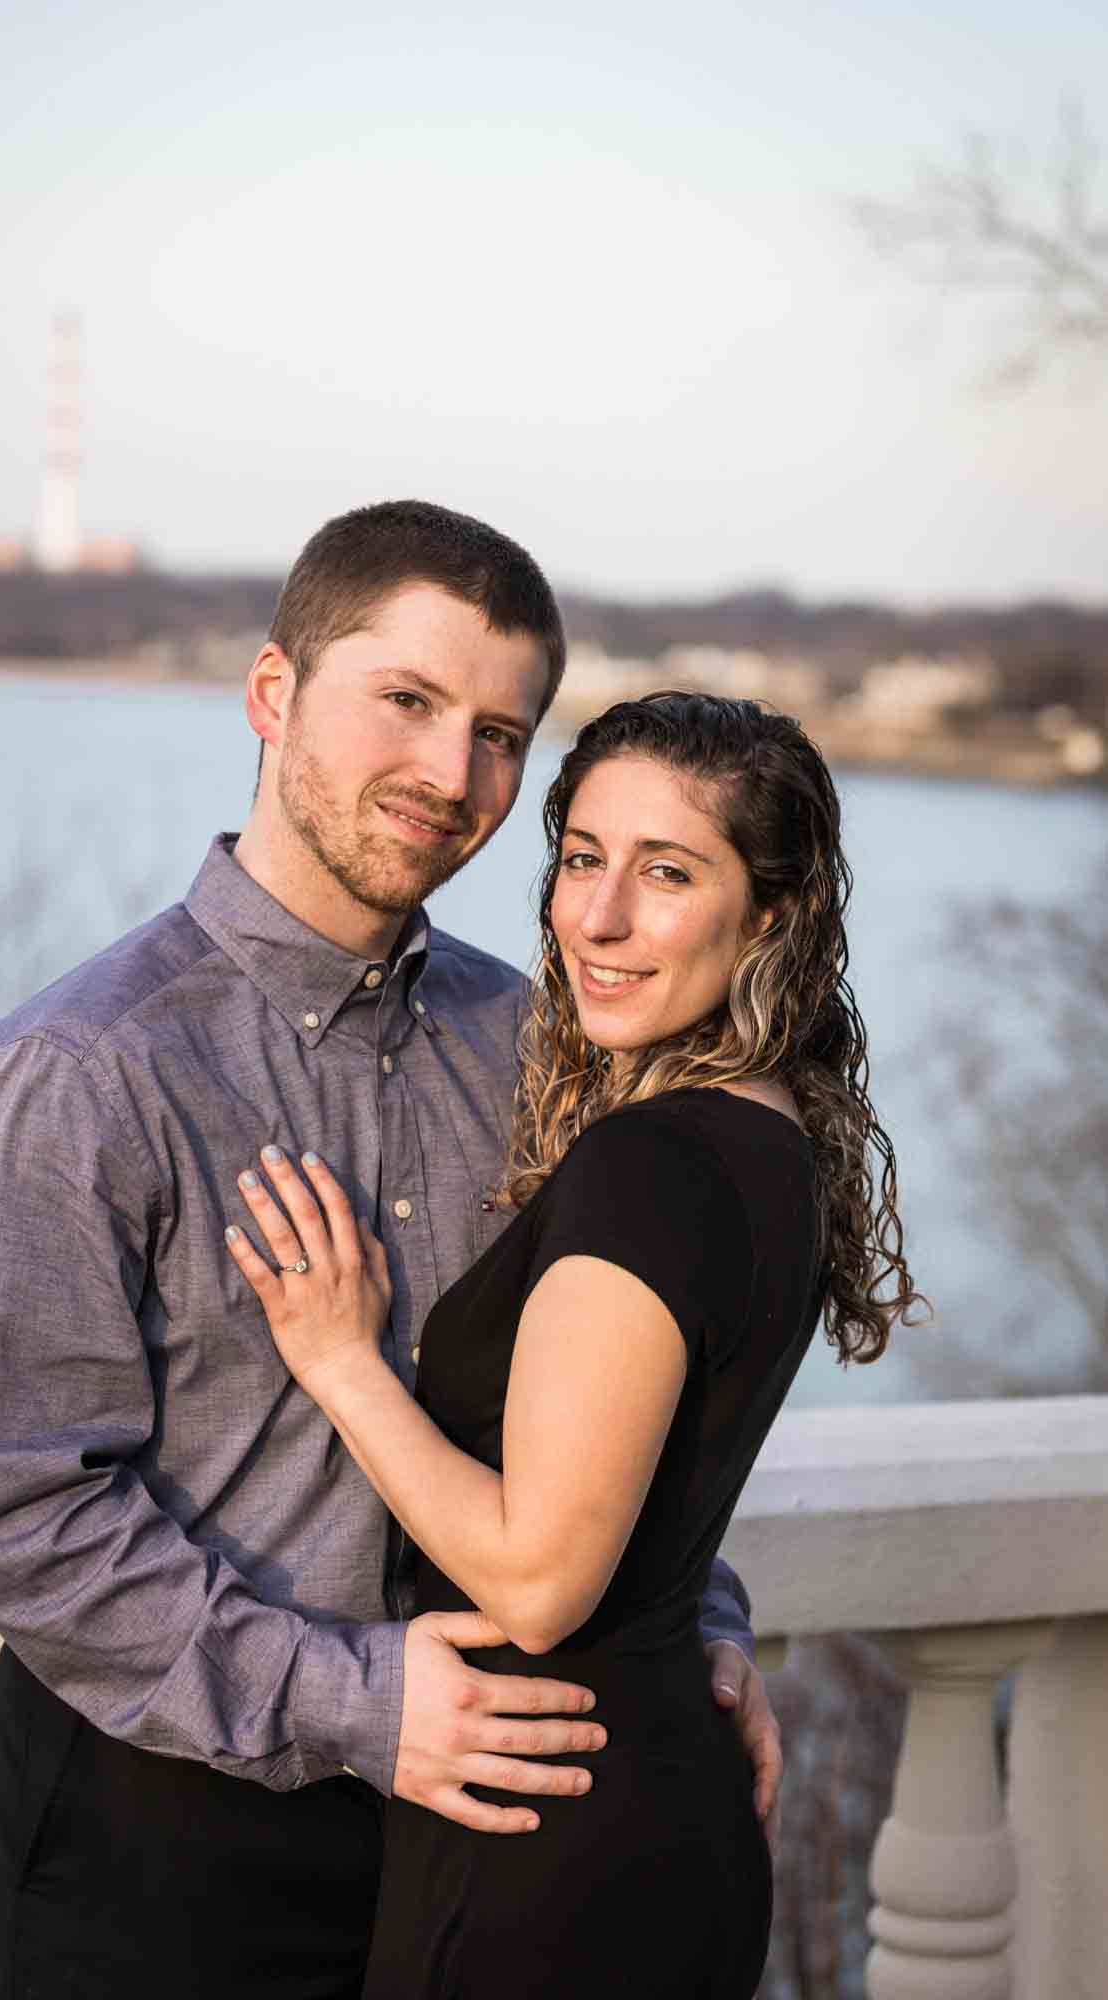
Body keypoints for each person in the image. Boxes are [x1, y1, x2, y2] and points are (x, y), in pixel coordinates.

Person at [0, 504, 780, 2000]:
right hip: (158, 1832)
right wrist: (360, 1704)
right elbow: (17, 1516)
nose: (452, 777)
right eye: (408, 701)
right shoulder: (85, 1066)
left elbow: (596, 1402)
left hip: (462, 1839)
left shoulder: (537, 1043)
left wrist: (692, 1618)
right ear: (271, 695)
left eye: (501, 734)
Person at [226, 688, 924, 1998]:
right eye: (581, 860)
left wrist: (340, 1363)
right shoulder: (767, 1144)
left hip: (546, 1847)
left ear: (769, 915)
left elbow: (539, 1585)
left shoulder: (647, 1167)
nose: (596, 919)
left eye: (665, 875)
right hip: (645, 1809)